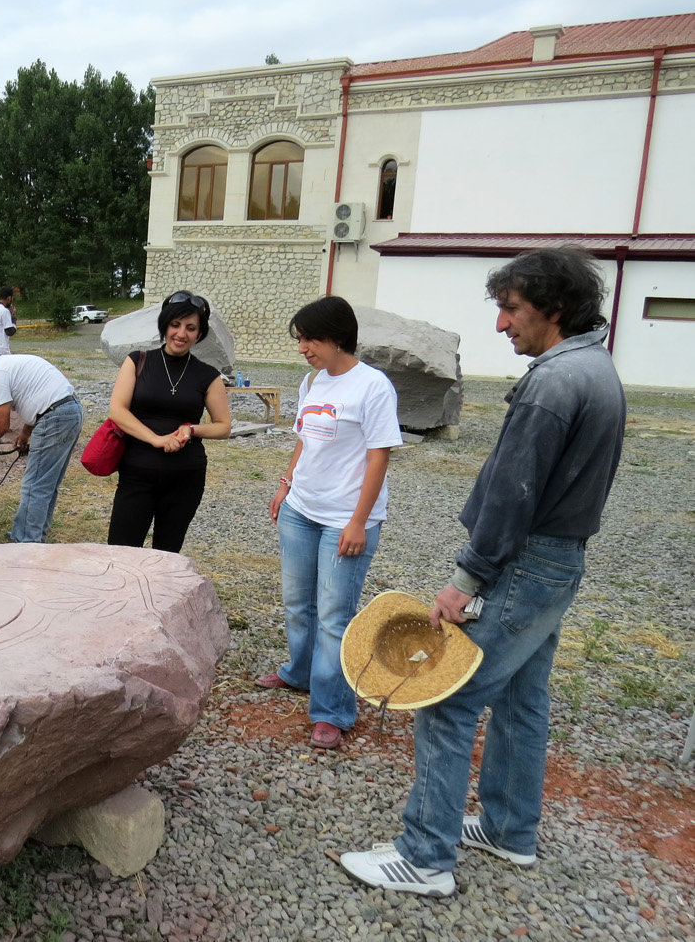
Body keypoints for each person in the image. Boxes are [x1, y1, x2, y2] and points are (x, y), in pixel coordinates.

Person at [340, 246, 626, 897]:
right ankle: (508, 829)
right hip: (559, 562)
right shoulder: (594, 367)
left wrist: (467, 580)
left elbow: (514, 494)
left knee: (449, 694)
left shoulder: (554, 384)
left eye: (511, 308)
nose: (501, 324)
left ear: (554, 308)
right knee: (523, 697)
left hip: (525, 562)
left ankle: (425, 856)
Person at [257, 295, 401, 750]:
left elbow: (380, 458)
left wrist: (359, 522)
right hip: (301, 509)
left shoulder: (373, 386)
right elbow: (305, 439)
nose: (303, 348)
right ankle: (299, 673)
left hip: (345, 519)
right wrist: (286, 483)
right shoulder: (313, 381)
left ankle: (332, 710)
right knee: (298, 603)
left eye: (309, 339)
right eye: (300, 339)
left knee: (335, 618)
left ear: (337, 338)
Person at [105, 290, 231, 553]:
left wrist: (191, 429)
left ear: (199, 333)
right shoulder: (138, 361)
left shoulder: (208, 374)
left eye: (190, 328)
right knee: (121, 552)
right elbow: (118, 410)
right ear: (164, 325)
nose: (181, 334)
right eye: (175, 325)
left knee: (167, 555)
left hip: (185, 478)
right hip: (137, 473)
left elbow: (223, 425)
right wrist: (156, 439)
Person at [0, 341, 82, 543]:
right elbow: (41, 400)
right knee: (46, 483)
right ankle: (29, 534)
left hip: (56, 417)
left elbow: (0, 424)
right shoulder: (11, 364)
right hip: (69, 411)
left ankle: (27, 541)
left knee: (35, 485)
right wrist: (25, 433)